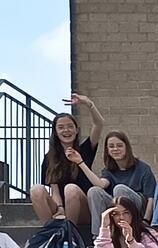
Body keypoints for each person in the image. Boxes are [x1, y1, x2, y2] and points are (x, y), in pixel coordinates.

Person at [27, 94, 105, 227]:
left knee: (71, 189)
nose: (66, 130)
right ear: (56, 133)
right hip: (62, 208)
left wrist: (89, 104)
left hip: (83, 207)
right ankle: (50, 232)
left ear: (76, 130)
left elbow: (99, 124)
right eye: (61, 127)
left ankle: (70, 234)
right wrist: (59, 207)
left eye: (70, 126)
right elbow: (55, 190)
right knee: (36, 189)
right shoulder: (50, 157)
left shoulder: (85, 149)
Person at [83, 130, 157, 223]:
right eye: (111, 146)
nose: (115, 149)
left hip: (138, 210)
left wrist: (146, 220)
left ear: (127, 147)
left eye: (119, 145)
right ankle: (99, 234)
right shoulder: (108, 170)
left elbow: (151, 198)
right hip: (116, 208)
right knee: (94, 191)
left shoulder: (143, 168)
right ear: (107, 150)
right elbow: (101, 184)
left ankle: (126, 228)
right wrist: (81, 163)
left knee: (119, 189)